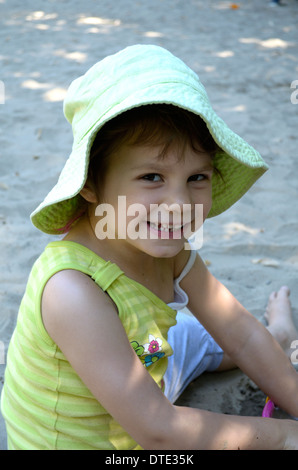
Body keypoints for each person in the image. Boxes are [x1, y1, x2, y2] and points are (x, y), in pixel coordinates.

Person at [2, 45, 298, 450]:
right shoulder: (73, 290)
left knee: (201, 338)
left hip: (147, 364)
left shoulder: (169, 250)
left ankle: (278, 334)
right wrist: (286, 437)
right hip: (121, 434)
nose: (179, 205)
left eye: (197, 178)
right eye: (152, 176)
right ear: (90, 183)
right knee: (181, 350)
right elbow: (159, 430)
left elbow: (239, 334)